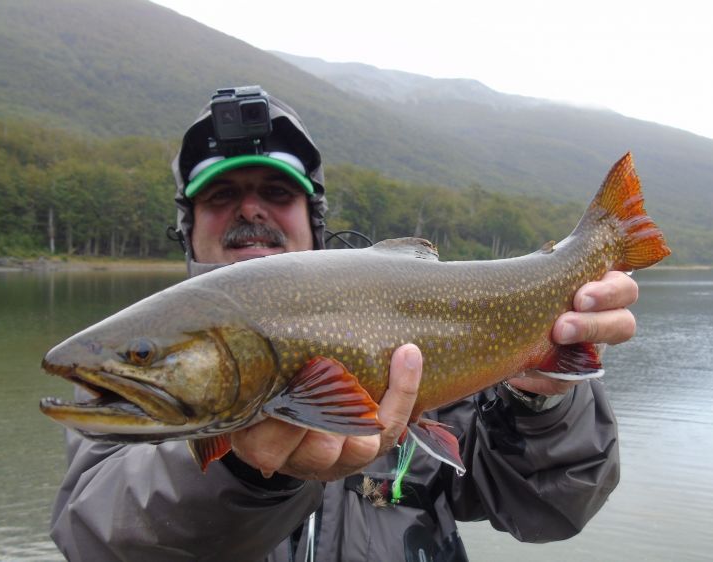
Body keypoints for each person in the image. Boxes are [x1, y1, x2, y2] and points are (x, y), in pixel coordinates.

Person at [51, 87, 638, 562]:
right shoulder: (124, 387)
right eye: (221, 195)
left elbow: (551, 508)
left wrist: (543, 396)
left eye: (277, 192)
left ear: (314, 217)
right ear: (189, 227)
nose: (250, 210)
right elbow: (97, 538)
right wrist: (243, 468)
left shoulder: (406, 327)